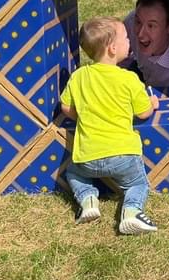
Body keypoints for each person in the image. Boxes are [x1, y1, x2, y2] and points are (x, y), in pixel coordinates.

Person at [60, 17, 160, 234]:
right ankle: (132, 212)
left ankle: (87, 200)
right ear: (113, 48)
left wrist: (84, 114)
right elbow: (143, 113)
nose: (129, 41)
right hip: (124, 155)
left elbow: (66, 107)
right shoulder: (129, 79)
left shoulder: (78, 76)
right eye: (126, 37)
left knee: (73, 174)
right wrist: (152, 103)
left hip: (87, 156)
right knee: (138, 185)